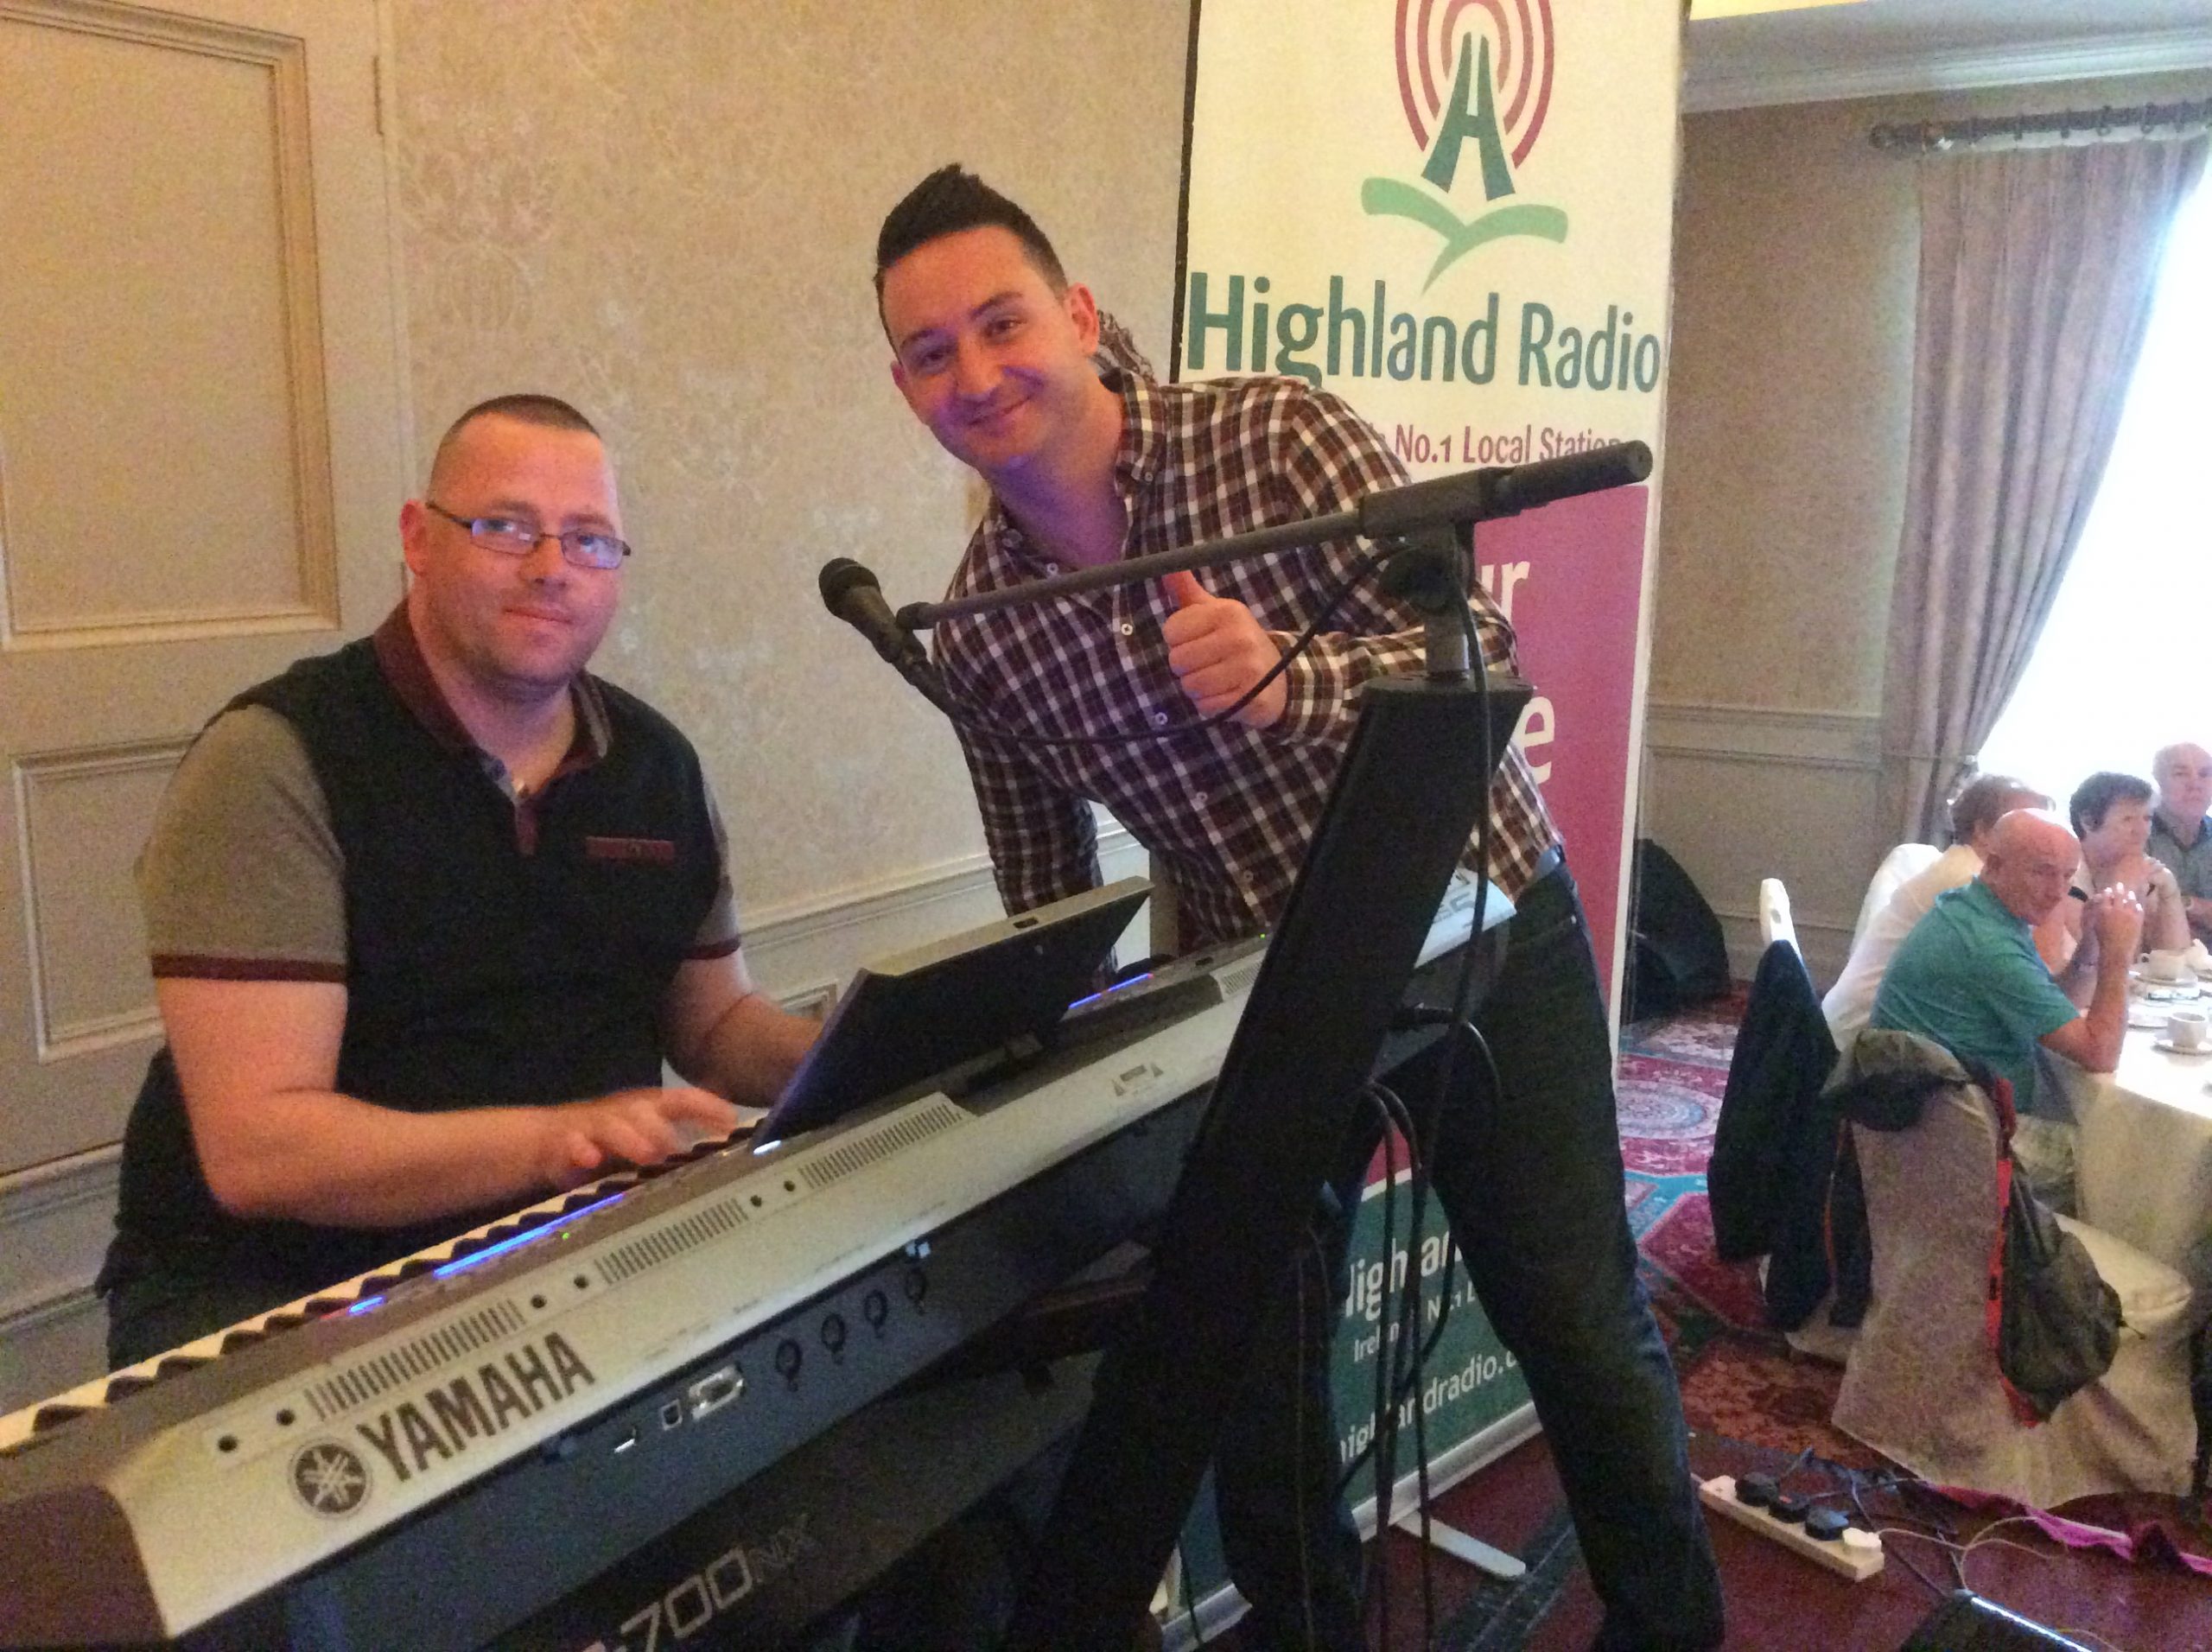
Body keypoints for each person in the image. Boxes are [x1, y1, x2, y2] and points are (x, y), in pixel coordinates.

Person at [871, 166, 1721, 1652]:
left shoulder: (1268, 433)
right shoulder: (985, 627)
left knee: (1576, 1325)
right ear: (905, 387)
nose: (978, 373)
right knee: (1248, 1353)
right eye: (932, 352)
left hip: (1478, 921)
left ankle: (1669, 1629)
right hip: (1268, 982)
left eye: (1003, 323)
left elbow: (1482, 654)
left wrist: (1293, 678)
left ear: (1079, 317)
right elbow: (1043, 886)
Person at [98, 395, 818, 1368]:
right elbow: (261, 1151)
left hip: (557, 1248)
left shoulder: (656, 765)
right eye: (505, 526)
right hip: (274, 1289)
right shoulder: (277, 758)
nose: (551, 566)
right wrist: (559, 1141)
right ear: (417, 540)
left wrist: (861, 1049)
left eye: (589, 539)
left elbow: (715, 1028)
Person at [1870, 809, 2140, 1205]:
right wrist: (2119, 954)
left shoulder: (1977, 910)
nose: (2057, 891)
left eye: (2068, 876)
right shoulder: (1987, 944)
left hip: (1926, 1112)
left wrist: (2092, 946)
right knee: (2111, 1159)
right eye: (2042, 872)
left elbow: (2055, 1003)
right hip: (1949, 1138)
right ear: (1995, 866)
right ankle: (2052, 1244)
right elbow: (2099, 1053)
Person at [1822, 773, 2050, 1038]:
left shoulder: (1961, 865)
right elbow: (2035, 986)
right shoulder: (1969, 883)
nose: (2041, 841)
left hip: (1874, 1026)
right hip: (1866, 1039)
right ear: (1982, 831)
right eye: (2025, 826)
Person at [2069, 771, 2189, 955]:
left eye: (2147, 818)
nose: (2143, 831)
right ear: (2087, 821)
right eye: (2128, 819)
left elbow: (2175, 958)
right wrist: (2122, 891)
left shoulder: (2145, 871)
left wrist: (2169, 893)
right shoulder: (2064, 876)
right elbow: (2088, 966)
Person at [2148, 741, 2212, 943]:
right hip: (2154, 958)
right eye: (2181, 774)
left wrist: (2176, 902)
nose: (2195, 784)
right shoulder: (2135, 833)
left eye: (2205, 774)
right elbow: (2144, 919)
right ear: (2158, 780)